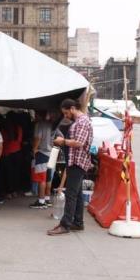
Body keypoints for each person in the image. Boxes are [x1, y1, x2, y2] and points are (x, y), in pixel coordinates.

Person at [48, 99, 94, 235]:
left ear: (73, 108)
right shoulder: (80, 122)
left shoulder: (82, 122)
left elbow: (79, 143)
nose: (66, 116)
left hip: (77, 162)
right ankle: (78, 222)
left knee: (71, 194)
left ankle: (65, 224)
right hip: (75, 161)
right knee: (77, 194)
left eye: (66, 112)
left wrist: (63, 141)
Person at [29, 110, 55, 209]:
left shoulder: (39, 124)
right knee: (48, 178)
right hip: (52, 153)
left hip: (42, 153)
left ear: (38, 115)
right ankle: (47, 199)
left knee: (41, 179)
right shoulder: (52, 124)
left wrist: (34, 149)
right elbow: (60, 136)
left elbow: (37, 138)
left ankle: (41, 201)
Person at [0, 112, 23, 199]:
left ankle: (8, 192)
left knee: (7, 174)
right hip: (17, 152)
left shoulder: (4, 129)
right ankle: (14, 191)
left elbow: (2, 141)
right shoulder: (19, 128)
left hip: (6, 153)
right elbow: (20, 140)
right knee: (16, 173)